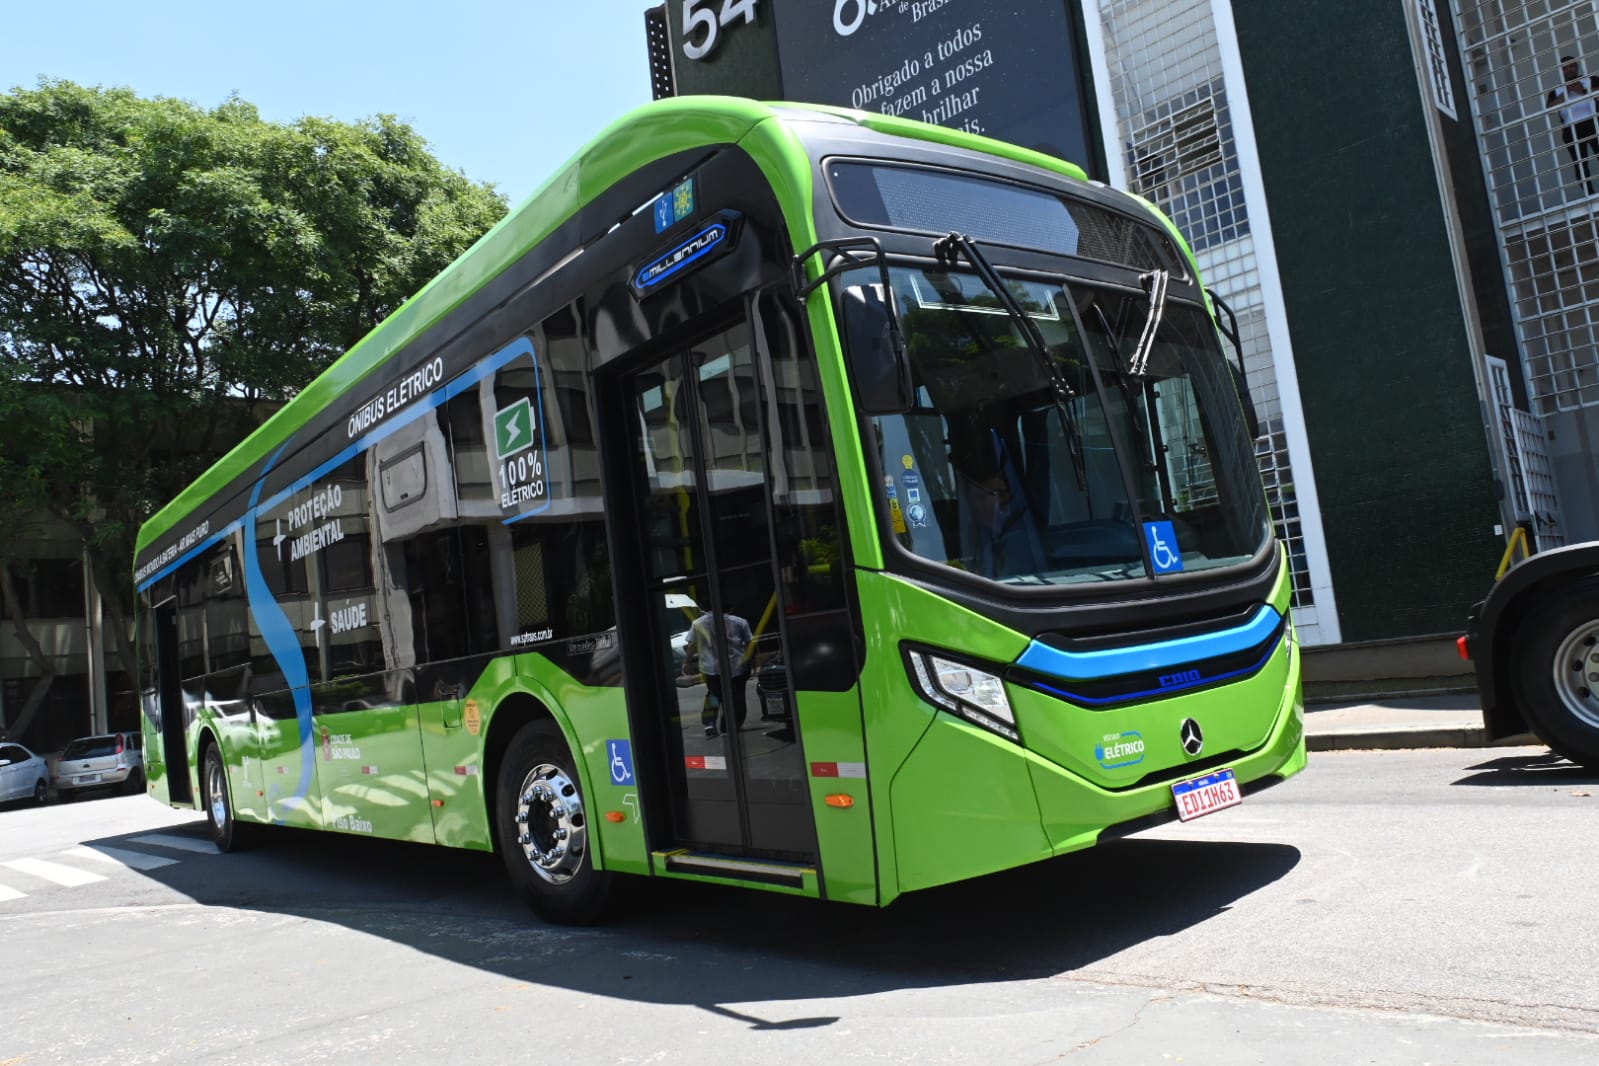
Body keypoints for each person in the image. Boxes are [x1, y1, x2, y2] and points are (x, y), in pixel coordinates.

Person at [683, 608, 753, 737]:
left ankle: (709, 725)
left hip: (711, 668)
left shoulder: (698, 623)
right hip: (736, 666)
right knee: (737, 697)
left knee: (713, 696)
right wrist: (749, 661)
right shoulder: (740, 622)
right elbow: (749, 642)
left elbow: (692, 644)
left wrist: (687, 662)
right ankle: (729, 726)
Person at [1548, 55, 1599, 196]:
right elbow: (1549, 109)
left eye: (1571, 66)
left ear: (1577, 66)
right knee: (1581, 165)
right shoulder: (1556, 91)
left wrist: (1582, 91)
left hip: (1594, 122)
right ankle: (1591, 197)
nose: (1568, 70)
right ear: (1561, 71)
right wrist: (1565, 94)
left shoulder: (1590, 79)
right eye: (1565, 68)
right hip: (1572, 129)